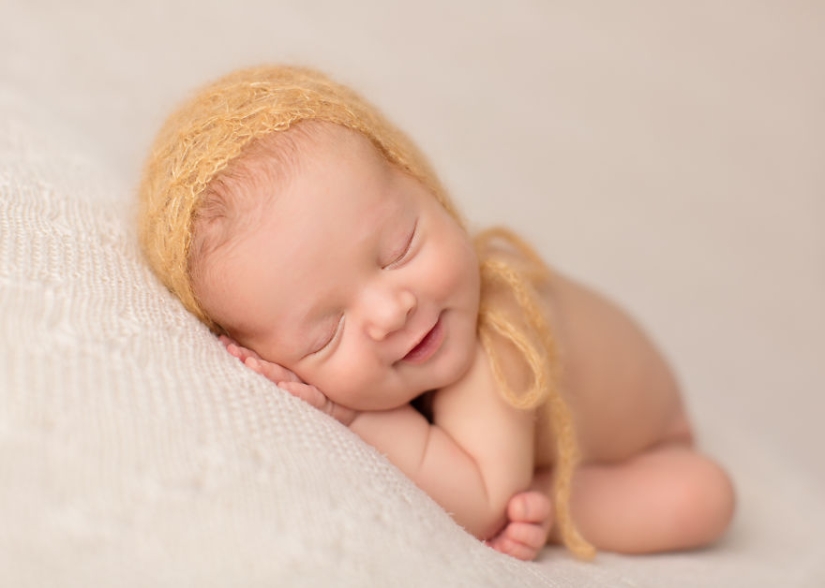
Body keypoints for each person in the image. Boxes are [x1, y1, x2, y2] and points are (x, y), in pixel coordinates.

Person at [138, 65, 735, 561]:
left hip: (648, 440)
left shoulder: (495, 339)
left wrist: (350, 415)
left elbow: (481, 501)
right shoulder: (418, 322)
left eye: (399, 249)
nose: (391, 312)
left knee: (703, 499)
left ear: (426, 187)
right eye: (327, 333)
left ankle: (556, 501)